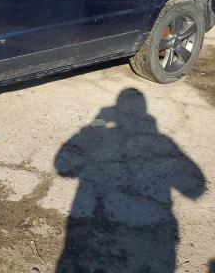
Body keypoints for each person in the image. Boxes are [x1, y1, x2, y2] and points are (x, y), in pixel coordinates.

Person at [55, 88, 205, 272]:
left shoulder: (109, 133)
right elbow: (196, 189)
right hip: (148, 240)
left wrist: (98, 120)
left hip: (112, 235)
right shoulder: (163, 141)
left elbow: (63, 166)